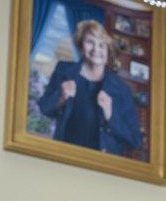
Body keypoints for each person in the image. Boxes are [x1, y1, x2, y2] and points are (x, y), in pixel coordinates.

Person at [37, 19, 142, 156]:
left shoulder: (122, 90)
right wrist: (61, 98)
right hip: (64, 155)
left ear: (108, 51)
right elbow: (44, 108)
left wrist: (110, 114)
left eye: (101, 45)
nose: (96, 49)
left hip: (101, 165)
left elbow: (135, 140)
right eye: (90, 42)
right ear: (81, 47)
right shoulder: (64, 71)